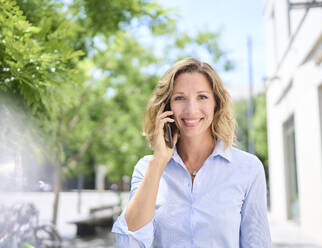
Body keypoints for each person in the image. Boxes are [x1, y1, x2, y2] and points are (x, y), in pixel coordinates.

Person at [112, 58, 271, 247]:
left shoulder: (248, 168)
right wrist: (159, 161)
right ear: (167, 107)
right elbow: (129, 243)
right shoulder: (146, 168)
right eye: (180, 98)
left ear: (216, 104)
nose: (191, 109)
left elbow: (258, 243)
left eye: (202, 97)